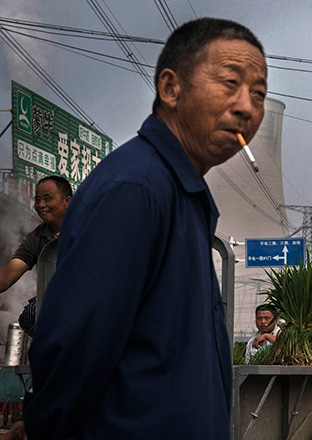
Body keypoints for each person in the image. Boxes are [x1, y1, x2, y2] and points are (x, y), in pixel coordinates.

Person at [18, 18, 268, 439]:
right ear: (170, 88)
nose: (246, 106)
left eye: (259, 95)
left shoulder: (177, 191)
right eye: (229, 83)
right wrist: (44, 427)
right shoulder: (136, 189)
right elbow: (76, 343)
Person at [0, 176, 72, 334]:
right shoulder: (38, 237)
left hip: (90, 305)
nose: (41, 205)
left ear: (67, 201)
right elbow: (6, 278)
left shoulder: (88, 228)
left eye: (47, 199)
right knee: (30, 314)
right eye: (37, 200)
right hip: (55, 308)